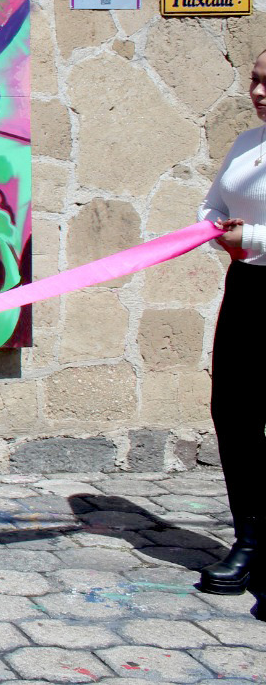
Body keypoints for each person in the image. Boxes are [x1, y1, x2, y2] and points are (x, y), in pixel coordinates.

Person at [197, 47, 266, 595]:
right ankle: (248, 540)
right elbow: (211, 203)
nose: (258, 92)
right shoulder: (246, 143)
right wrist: (216, 227)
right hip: (246, 289)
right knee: (234, 412)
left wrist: (253, 239)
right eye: (254, 80)